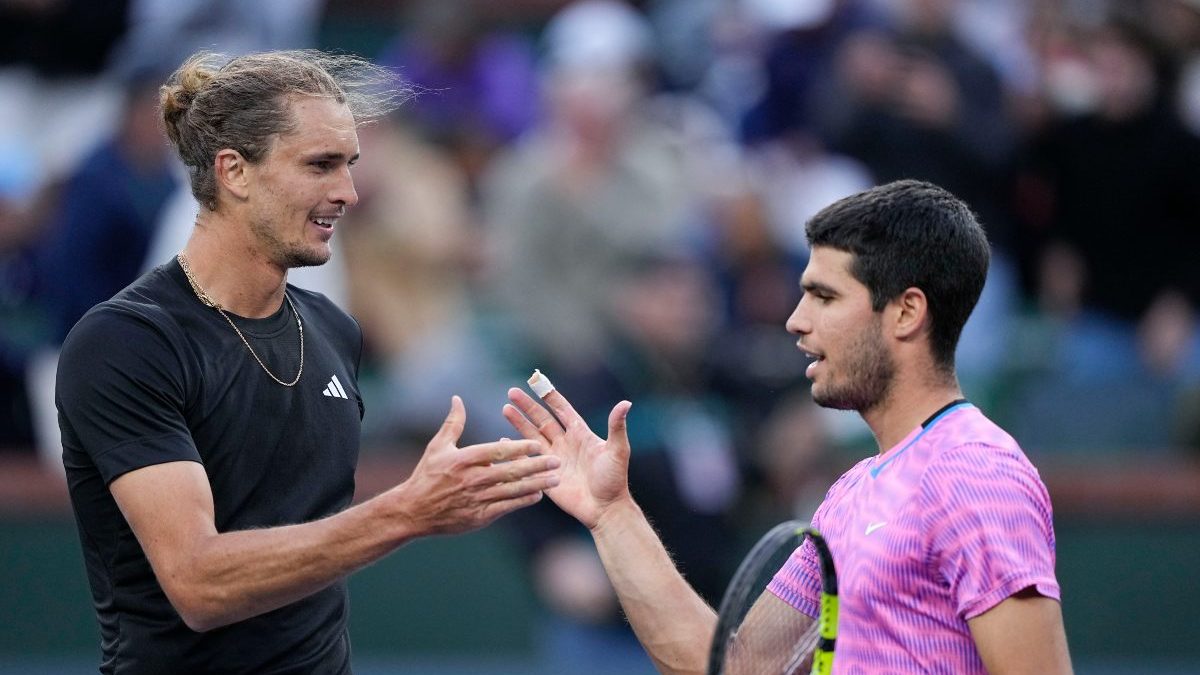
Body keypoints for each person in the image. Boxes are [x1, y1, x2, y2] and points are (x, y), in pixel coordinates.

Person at [55, 50, 560, 674]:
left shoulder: (331, 330)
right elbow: (199, 583)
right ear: (234, 172)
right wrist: (406, 511)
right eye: (321, 165)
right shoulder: (126, 344)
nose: (347, 192)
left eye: (349, 166)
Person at [504, 179, 1073, 674]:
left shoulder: (975, 472)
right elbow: (731, 668)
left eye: (824, 297)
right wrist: (612, 515)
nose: (797, 323)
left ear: (905, 312)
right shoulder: (850, 497)